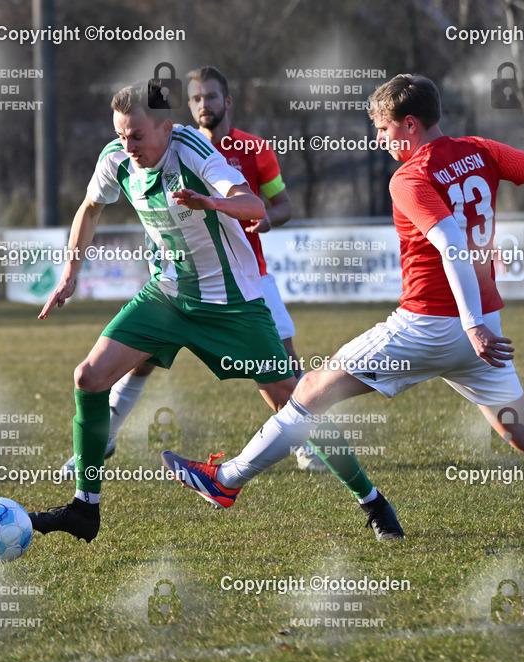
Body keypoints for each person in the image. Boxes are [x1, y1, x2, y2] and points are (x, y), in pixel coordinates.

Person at [165, 73, 524, 543]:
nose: (379, 141)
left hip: (430, 327)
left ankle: (227, 480)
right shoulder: (480, 149)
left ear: (410, 125)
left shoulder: (410, 177)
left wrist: (466, 325)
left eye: (382, 130)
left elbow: (450, 245)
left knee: (307, 392)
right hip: (481, 325)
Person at [30, 82, 402, 543]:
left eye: (138, 136)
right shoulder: (116, 159)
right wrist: (71, 271)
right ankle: (84, 509)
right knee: (88, 377)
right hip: (167, 297)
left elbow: (252, 204)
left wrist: (212, 202)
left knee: (296, 402)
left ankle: (374, 503)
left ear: (166, 128)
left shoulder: (194, 153)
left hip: (233, 305)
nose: (129, 147)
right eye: (122, 136)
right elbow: (89, 208)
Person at [61, 65, 327, 472]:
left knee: (281, 369)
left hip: (243, 280)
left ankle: (320, 452)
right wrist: (70, 273)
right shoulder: (136, 152)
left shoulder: (246, 149)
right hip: (171, 288)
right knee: (126, 364)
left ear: (227, 102)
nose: (205, 104)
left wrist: (247, 212)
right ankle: (100, 447)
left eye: (212, 97)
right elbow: (91, 207)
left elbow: (272, 204)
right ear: (188, 106)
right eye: (197, 98)